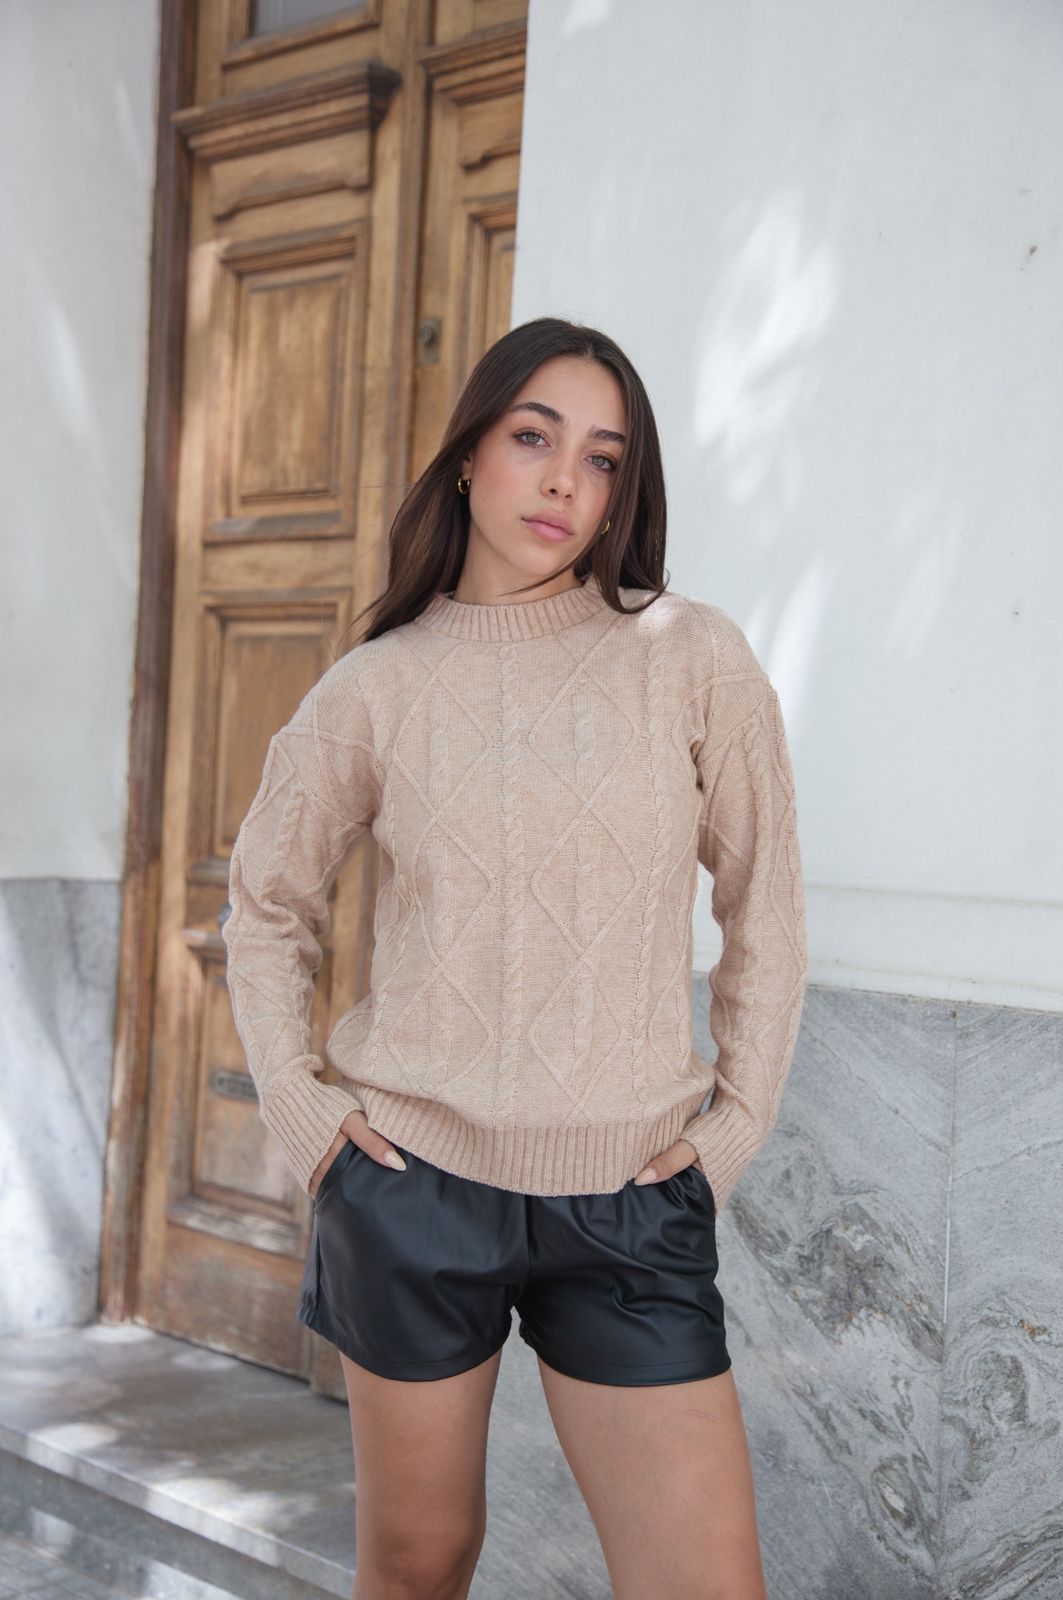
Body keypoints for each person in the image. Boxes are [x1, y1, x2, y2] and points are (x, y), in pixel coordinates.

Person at [222, 315, 808, 1600]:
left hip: (632, 1194)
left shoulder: (689, 654)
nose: (563, 482)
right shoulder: (375, 688)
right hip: (411, 1185)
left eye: (602, 459)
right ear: (468, 456)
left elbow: (764, 901)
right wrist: (308, 1115)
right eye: (534, 437)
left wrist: (733, 1128)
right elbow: (264, 905)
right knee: (420, 1563)